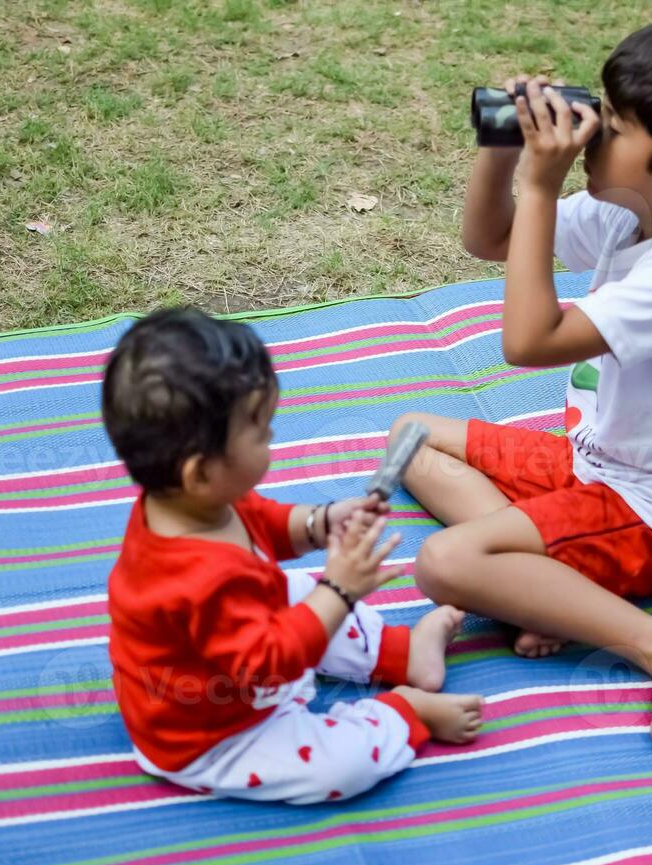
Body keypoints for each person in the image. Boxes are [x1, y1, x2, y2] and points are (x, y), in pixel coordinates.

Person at [390, 19, 652, 747]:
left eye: (616, 123)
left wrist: (541, 183)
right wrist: (502, 147)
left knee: (443, 564)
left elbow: (527, 341)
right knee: (410, 437)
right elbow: (489, 239)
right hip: (592, 464)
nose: (591, 130)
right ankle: (538, 593)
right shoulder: (633, 212)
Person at [102, 308, 482, 804]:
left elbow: (265, 520)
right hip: (218, 730)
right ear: (199, 472)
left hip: (248, 651)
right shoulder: (196, 581)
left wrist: (324, 522)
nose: (273, 439)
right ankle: (404, 711)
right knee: (337, 768)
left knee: (296, 592)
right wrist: (339, 591)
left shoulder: (190, 502)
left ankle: (405, 654)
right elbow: (270, 664)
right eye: (260, 433)